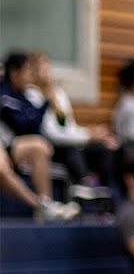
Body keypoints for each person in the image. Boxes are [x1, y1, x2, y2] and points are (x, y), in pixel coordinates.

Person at [27, 52, 117, 196]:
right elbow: (52, 133)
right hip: (50, 146)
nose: (46, 73)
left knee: (104, 148)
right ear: (32, 72)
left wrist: (92, 132)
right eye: (40, 69)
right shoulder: (30, 95)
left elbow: (69, 126)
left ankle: (106, 195)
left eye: (47, 68)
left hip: (70, 142)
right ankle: (83, 183)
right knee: (70, 147)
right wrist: (87, 136)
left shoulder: (58, 93)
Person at [1, 51, 78, 219]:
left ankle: (46, 203)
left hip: (10, 147)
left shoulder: (23, 95)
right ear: (15, 72)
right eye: (28, 71)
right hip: (7, 147)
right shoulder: (4, 95)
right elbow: (24, 124)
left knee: (40, 146)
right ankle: (39, 204)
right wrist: (46, 103)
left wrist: (49, 101)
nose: (30, 77)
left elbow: (49, 122)